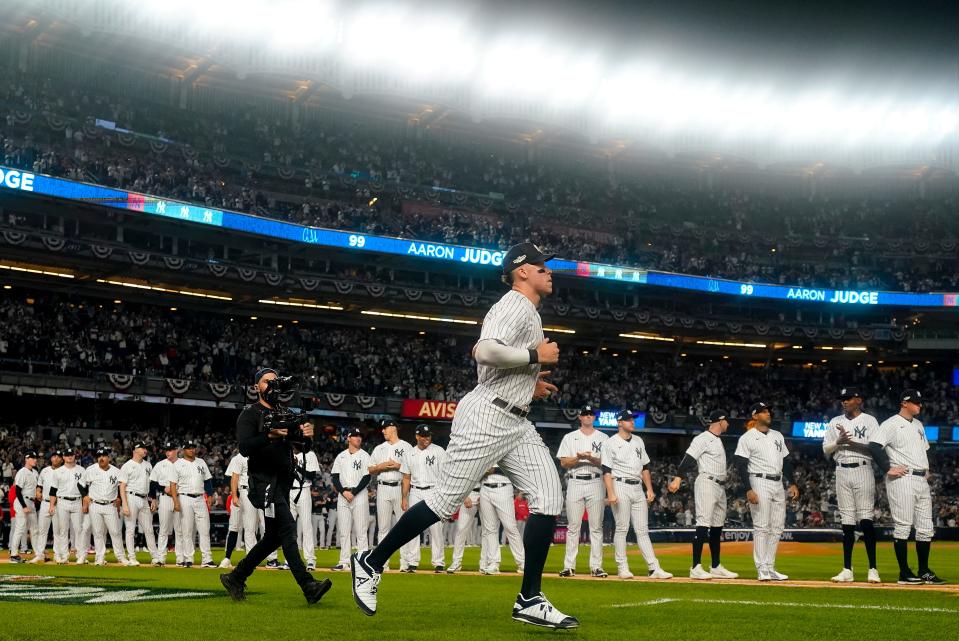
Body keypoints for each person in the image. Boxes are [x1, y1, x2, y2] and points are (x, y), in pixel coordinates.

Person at [351, 241, 577, 630]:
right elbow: (485, 352)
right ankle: (371, 561)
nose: (549, 272)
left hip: (515, 420)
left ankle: (530, 598)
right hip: (488, 417)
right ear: (522, 271)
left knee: (548, 496)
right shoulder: (514, 304)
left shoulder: (528, 311)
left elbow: (498, 360)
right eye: (542, 267)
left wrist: (529, 382)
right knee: (442, 503)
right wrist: (535, 358)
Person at [220, 368, 332, 604]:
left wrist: (307, 436)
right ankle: (308, 585)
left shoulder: (285, 412)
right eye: (266, 381)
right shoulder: (250, 413)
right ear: (256, 387)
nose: (271, 385)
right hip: (264, 482)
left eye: (274, 381)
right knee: (288, 528)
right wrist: (269, 436)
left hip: (282, 482)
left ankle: (236, 577)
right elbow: (245, 448)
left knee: (273, 538)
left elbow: (302, 446)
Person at [869, 390, 945, 585]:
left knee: (926, 528)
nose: (920, 405)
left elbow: (924, 450)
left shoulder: (918, 425)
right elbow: (874, 446)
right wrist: (888, 468)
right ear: (904, 403)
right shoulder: (891, 423)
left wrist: (925, 470)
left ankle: (924, 571)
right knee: (903, 527)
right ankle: (904, 572)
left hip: (920, 478)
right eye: (916, 402)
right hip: (903, 478)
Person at [602, 409, 672, 580]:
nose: (632, 422)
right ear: (619, 423)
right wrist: (610, 492)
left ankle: (654, 568)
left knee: (642, 530)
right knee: (622, 528)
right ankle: (622, 567)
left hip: (637, 487)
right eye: (628, 419)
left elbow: (645, 467)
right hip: (620, 485)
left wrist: (649, 488)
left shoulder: (639, 441)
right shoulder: (610, 443)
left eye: (632, 419)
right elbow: (606, 470)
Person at [667, 410, 738, 580]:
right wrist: (678, 478)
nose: (728, 423)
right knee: (703, 523)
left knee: (717, 527)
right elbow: (689, 458)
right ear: (720, 421)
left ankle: (715, 566)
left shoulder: (717, 440)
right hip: (707, 482)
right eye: (726, 420)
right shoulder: (702, 438)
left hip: (720, 487)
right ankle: (696, 567)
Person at [733, 402, 800, 581]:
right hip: (759, 480)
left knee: (777, 527)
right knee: (762, 526)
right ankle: (761, 567)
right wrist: (748, 489)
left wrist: (792, 483)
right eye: (763, 411)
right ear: (755, 416)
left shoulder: (777, 435)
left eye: (768, 410)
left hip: (778, 483)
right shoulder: (747, 438)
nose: (768, 413)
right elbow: (740, 464)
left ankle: (770, 567)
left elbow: (785, 461)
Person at [823, 387, 881, 583]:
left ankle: (873, 569)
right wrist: (839, 442)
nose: (844, 402)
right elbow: (825, 450)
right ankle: (847, 569)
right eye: (843, 399)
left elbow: (875, 448)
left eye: (848, 398)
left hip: (863, 468)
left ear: (858, 399)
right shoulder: (835, 422)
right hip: (841, 469)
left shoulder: (870, 420)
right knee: (847, 522)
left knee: (866, 520)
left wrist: (851, 443)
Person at [556, 405, 608, 578]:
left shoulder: (603, 437)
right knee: (573, 527)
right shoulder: (570, 437)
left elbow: (607, 463)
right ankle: (569, 566)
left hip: (595, 481)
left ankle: (596, 567)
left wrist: (591, 458)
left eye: (591, 414)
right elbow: (564, 462)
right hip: (575, 481)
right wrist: (578, 457)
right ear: (579, 417)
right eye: (585, 414)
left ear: (594, 418)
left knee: (596, 527)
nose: (588, 417)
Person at [367, 418, 414, 571]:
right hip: (382, 488)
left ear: (393, 428)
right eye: (382, 429)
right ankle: (382, 563)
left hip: (400, 488)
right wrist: (381, 466)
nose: (383, 431)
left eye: (385, 428)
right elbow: (370, 469)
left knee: (404, 527)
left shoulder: (406, 446)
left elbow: (413, 469)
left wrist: (398, 465)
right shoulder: (379, 448)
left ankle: (405, 563)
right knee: (383, 528)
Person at [404, 424, 447, 572]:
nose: (427, 438)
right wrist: (404, 497)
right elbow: (406, 477)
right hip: (415, 491)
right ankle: (412, 562)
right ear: (417, 436)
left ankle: (439, 562)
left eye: (428, 435)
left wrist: (443, 495)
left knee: (436, 528)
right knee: (413, 527)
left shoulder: (439, 451)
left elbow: (444, 475)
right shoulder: (410, 453)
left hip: (433, 491)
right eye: (423, 436)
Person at [80, 448, 131, 566]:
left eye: (103, 456)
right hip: (95, 504)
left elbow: (122, 486)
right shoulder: (90, 470)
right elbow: (81, 484)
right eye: (99, 456)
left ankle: (121, 557)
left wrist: (119, 497)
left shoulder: (117, 471)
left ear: (109, 458)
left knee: (115, 532)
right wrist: (85, 497)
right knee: (97, 533)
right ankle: (99, 558)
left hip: (110, 505)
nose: (101, 458)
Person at [331, 427, 372, 571]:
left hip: (359, 495)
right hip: (343, 496)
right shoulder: (341, 456)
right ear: (348, 438)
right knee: (344, 531)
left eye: (360, 436)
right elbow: (335, 477)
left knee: (361, 530)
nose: (358, 438)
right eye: (355, 436)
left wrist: (353, 492)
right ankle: (344, 561)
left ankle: (362, 561)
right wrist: (343, 492)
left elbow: (367, 477)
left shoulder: (365, 455)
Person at [170, 440, 215, 568]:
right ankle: (188, 558)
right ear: (184, 450)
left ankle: (207, 559)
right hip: (185, 497)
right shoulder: (178, 464)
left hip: (200, 497)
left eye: (193, 448)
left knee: (205, 529)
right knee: (187, 530)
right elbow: (173, 485)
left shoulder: (201, 462)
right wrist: (175, 501)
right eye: (189, 448)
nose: (192, 450)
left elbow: (207, 481)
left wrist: (210, 495)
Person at [478, 467, 524, 574]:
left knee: (510, 527)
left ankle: (523, 562)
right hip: (484, 487)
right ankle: (493, 563)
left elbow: (510, 467)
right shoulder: (482, 450)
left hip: (503, 486)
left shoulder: (505, 449)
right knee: (490, 528)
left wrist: (493, 469)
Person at [119, 441, 159, 566]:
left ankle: (155, 557)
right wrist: (124, 504)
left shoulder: (148, 465)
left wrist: (153, 498)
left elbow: (152, 484)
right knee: (130, 529)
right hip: (131, 497)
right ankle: (131, 557)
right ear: (135, 450)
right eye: (142, 448)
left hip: (144, 498)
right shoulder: (127, 465)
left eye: (145, 448)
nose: (144, 450)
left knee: (149, 529)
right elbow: (122, 486)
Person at [150, 441, 184, 567]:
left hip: (180, 497)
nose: (168, 452)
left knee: (179, 529)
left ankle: (180, 558)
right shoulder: (160, 465)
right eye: (166, 450)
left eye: (170, 450)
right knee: (163, 529)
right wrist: (162, 488)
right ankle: (161, 558)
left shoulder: (183, 463)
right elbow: (152, 482)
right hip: (165, 498)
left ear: (176, 451)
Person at [48, 448, 84, 564]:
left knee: (79, 529)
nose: (69, 457)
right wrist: (52, 505)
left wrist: (85, 503)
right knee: (63, 530)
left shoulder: (82, 470)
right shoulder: (58, 472)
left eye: (71, 455)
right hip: (62, 501)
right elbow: (53, 491)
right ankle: (64, 556)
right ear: (63, 457)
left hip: (77, 501)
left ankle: (80, 555)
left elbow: (85, 489)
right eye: (67, 455)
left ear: (75, 456)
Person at [290, 443, 321, 571]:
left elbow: (311, 476)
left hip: (304, 489)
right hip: (288, 491)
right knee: (289, 528)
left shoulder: (310, 454)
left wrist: (297, 465)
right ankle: (290, 559)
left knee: (306, 526)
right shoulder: (287, 453)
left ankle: (310, 559)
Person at [33, 450, 64, 563]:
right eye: (54, 456)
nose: (56, 458)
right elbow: (39, 485)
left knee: (58, 531)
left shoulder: (64, 471)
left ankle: (57, 555)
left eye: (58, 457)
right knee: (42, 530)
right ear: (51, 458)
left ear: (62, 459)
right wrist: (38, 492)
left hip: (59, 503)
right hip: (45, 502)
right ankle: (40, 554)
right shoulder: (44, 471)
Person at [10, 451, 40, 563]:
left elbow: (36, 489)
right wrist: (23, 506)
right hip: (22, 501)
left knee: (35, 529)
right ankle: (13, 555)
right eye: (32, 458)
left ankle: (38, 553)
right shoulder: (22, 472)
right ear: (26, 459)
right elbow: (17, 491)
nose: (35, 460)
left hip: (31, 502)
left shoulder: (36, 472)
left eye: (35, 458)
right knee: (20, 528)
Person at [446, 488, 481, 573]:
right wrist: (465, 496)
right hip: (470, 492)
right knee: (461, 529)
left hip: (486, 491)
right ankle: (456, 562)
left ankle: (486, 563)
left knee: (488, 530)